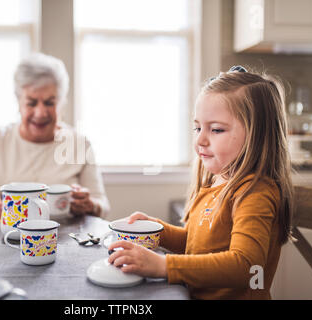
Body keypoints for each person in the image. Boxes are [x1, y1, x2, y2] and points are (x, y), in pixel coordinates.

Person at [107, 66, 294, 300]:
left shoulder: (254, 192)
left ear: (257, 135)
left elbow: (246, 267)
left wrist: (164, 266)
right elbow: (199, 246)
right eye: (197, 127)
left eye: (216, 129)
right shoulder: (216, 183)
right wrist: (157, 231)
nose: (200, 140)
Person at [0, 52, 110, 221]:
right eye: (31, 102)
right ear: (19, 102)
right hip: (7, 238)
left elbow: (102, 205)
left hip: (65, 239)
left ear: (61, 103)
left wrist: (91, 205)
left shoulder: (78, 144)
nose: (40, 112)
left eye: (50, 103)